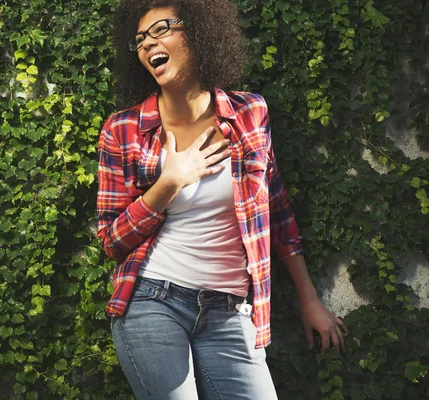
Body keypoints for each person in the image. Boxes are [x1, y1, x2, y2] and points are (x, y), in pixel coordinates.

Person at [96, 0, 348, 398]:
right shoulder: (123, 129)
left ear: (197, 32)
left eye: (161, 30)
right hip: (152, 299)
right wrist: (169, 182)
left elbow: (277, 212)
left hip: (229, 310)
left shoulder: (250, 112)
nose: (148, 44)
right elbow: (111, 240)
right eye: (140, 38)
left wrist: (309, 299)